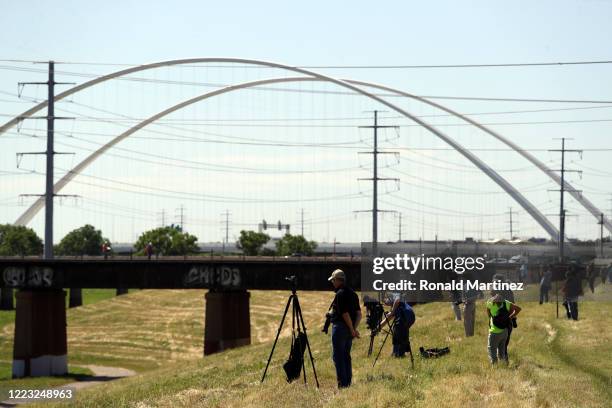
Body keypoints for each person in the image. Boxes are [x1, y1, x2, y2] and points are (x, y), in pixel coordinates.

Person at [328, 269, 361, 388]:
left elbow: (345, 313)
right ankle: (348, 383)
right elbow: (359, 314)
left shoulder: (340, 294)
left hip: (340, 328)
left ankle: (343, 385)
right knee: (346, 355)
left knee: (338, 357)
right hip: (349, 329)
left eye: (333, 280)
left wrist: (352, 330)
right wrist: (354, 328)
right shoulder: (353, 293)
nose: (332, 283)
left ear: (337, 280)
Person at [486, 293, 521, 365]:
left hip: (494, 332)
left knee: (492, 350)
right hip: (505, 331)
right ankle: (504, 365)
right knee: (502, 349)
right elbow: (518, 309)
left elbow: (488, 314)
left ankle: (495, 366)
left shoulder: (490, 303)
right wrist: (510, 317)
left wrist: (491, 319)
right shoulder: (506, 303)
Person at [379, 294, 415, 358]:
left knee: (397, 331)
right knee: (401, 332)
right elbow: (387, 319)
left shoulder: (396, 301)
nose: (386, 303)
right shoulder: (395, 307)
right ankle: (399, 353)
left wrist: (392, 311)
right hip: (410, 316)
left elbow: (397, 299)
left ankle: (397, 353)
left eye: (387, 301)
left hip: (405, 315)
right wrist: (378, 327)